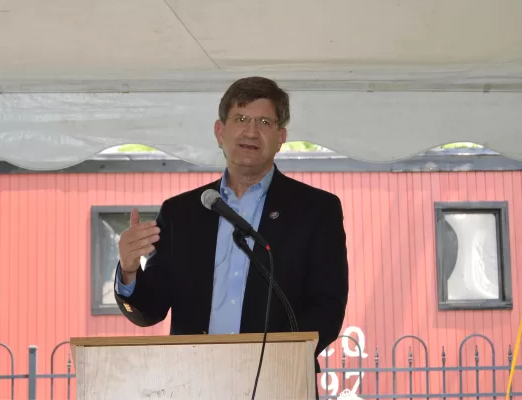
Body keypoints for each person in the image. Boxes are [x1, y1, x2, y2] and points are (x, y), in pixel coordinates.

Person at [113, 76, 349, 394]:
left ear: (281, 137)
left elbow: (327, 307)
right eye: (240, 119)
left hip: (279, 382)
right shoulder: (181, 212)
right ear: (220, 131)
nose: (251, 131)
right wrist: (129, 271)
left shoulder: (316, 210)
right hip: (193, 383)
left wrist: (280, 360)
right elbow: (150, 310)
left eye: (264, 122)